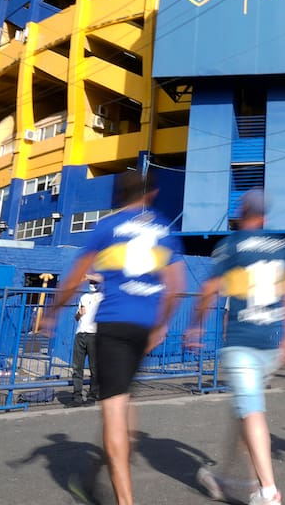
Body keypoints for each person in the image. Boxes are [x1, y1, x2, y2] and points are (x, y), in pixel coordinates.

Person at [45, 169, 186, 505]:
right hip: (143, 327)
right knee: (124, 403)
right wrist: (160, 324)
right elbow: (176, 287)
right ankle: (94, 478)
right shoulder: (163, 229)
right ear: (149, 195)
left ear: (118, 197)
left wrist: (52, 312)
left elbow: (75, 275)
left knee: (114, 411)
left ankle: (124, 500)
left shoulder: (107, 227)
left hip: (114, 325)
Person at [187, 189, 285, 505]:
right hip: (270, 344)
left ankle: (268, 492)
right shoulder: (284, 246)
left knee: (251, 412)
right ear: (264, 215)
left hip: (241, 344)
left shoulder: (232, 245)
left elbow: (210, 290)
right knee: (244, 412)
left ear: (244, 211)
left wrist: (195, 325)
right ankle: (226, 478)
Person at [68, 274, 103, 407]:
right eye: (90, 282)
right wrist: (79, 313)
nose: (92, 284)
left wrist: (89, 275)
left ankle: (92, 396)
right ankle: (77, 396)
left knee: (94, 368)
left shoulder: (103, 297)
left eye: (94, 282)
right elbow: (77, 317)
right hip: (80, 334)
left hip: (94, 335)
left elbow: (105, 279)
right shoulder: (84, 297)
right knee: (77, 367)